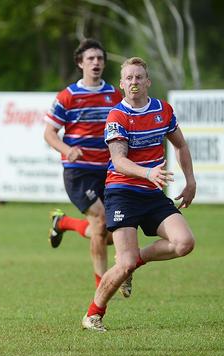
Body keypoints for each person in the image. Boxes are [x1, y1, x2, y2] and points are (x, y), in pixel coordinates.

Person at [82, 56, 196, 332]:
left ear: (148, 82)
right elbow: (118, 161)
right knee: (124, 263)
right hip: (122, 192)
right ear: (122, 84)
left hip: (152, 193)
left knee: (184, 243)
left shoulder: (162, 110)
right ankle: (93, 314)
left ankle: (135, 261)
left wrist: (190, 181)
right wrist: (147, 173)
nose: (134, 82)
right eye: (129, 78)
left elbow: (180, 145)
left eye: (139, 77)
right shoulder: (117, 116)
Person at [43, 38, 130, 293]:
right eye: (90, 58)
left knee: (112, 230)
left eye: (100, 58)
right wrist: (67, 149)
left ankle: (63, 223)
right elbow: (49, 133)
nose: (96, 62)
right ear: (80, 63)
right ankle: (102, 284)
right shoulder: (68, 96)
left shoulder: (114, 94)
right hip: (79, 173)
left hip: (109, 171)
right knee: (102, 222)